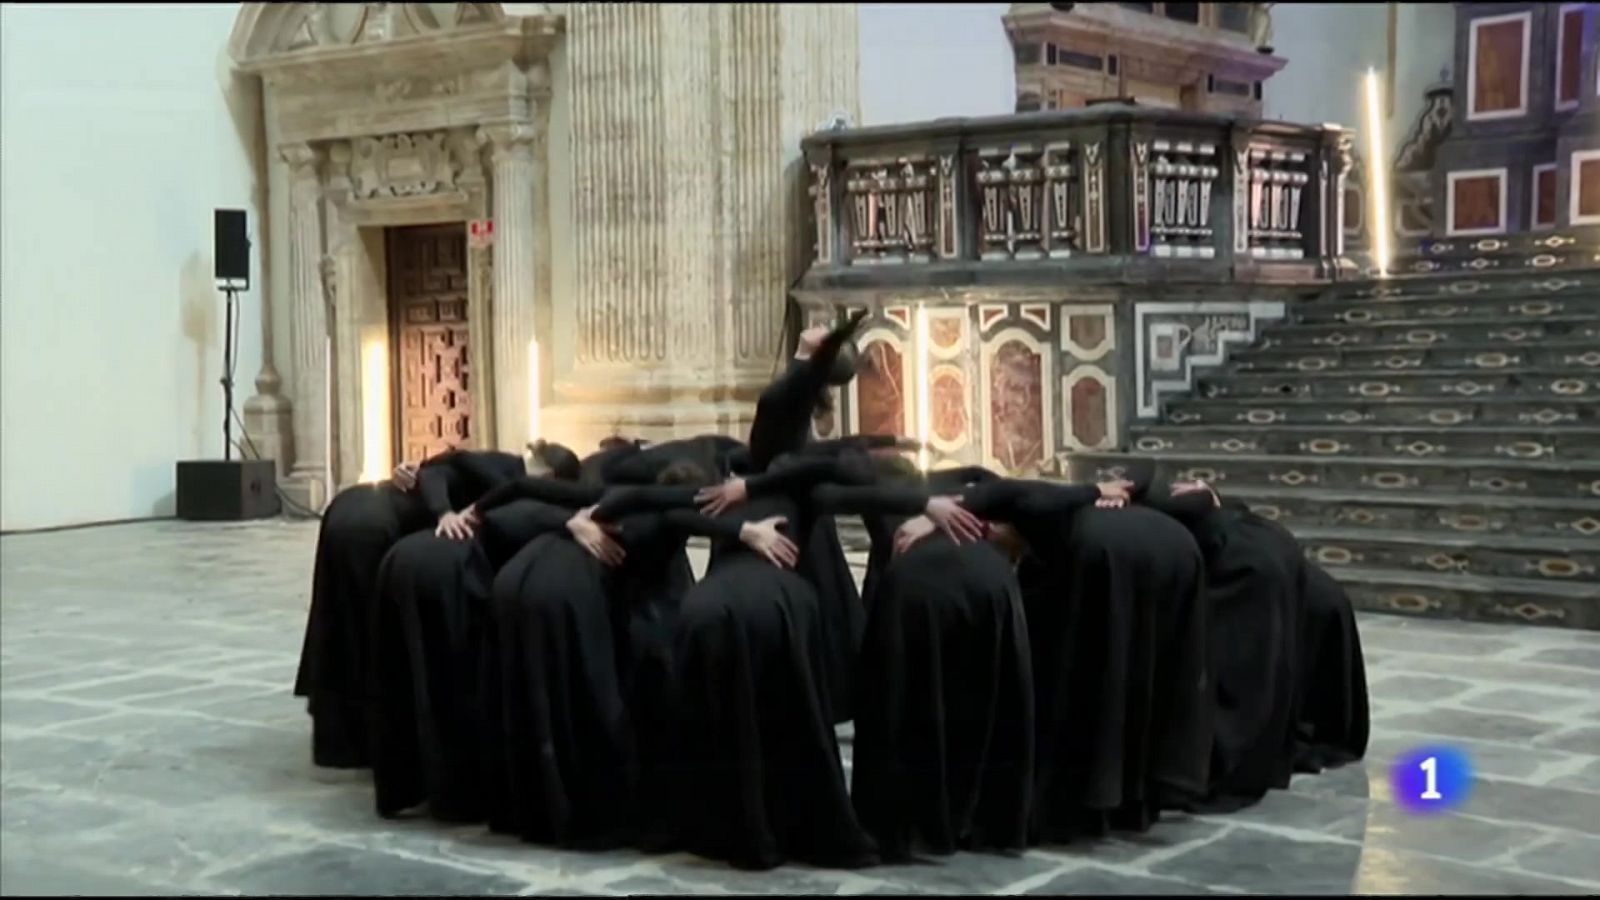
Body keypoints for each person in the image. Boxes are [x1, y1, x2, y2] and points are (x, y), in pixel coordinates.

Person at [700, 451, 1036, 860]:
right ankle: (981, 818)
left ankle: (909, 828)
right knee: (981, 695)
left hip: (917, 586)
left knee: (901, 701)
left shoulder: (862, 493)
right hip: (988, 579)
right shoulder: (950, 487)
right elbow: (996, 482)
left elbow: (827, 468)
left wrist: (747, 490)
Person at [899, 474, 1213, 843]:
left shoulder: (1026, 502)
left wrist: (927, 514)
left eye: (987, 532)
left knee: (1090, 675)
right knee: (1143, 668)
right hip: (1176, 548)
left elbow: (1005, 492)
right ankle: (1136, 794)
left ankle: (1088, 797)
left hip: (1115, 557)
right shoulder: (1069, 513)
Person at [603, 453, 879, 871]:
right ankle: (801, 821)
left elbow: (640, 494)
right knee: (798, 709)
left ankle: (724, 824)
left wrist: (586, 517)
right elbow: (845, 467)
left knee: (715, 715)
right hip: (782, 598)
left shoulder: (712, 498)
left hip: (710, 602)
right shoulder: (795, 491)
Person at [294, 442, 571, 770]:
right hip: (372, 523)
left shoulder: (500, 471)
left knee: (342, 619)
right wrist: (444, 512)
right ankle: (363, 739)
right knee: (367, 633)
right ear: (551, 474)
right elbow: (437, 474)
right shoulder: (506, 468)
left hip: (358, 509)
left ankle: (342, 736)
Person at [363, 441, 582, 821]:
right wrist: (444, 511)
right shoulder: (517, 482)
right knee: (454, 681)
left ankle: (399, 784)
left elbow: (442, 468)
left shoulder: (501, 478)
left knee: (403, 674)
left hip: (403, 557)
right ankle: (453, 791)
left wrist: (443, 510)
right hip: (448, 573)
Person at [1137, 479, 1367, 804]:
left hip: (1256, 586)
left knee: (1244, 676)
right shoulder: (1241, 523)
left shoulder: (1193, 533)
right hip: (1279, 582)